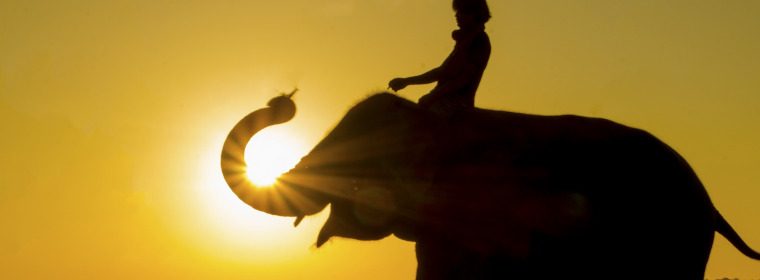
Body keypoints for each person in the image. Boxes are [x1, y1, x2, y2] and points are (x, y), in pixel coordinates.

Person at [389, 0, 491, 117]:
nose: (456, 15)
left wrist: (433, 96)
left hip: (454, 106)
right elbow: (442, 72)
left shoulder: (479, 40)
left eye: (461, 12)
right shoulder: (465, 41)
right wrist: (406, 81)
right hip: (443, 101)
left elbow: (464, 78)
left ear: (474, 14)